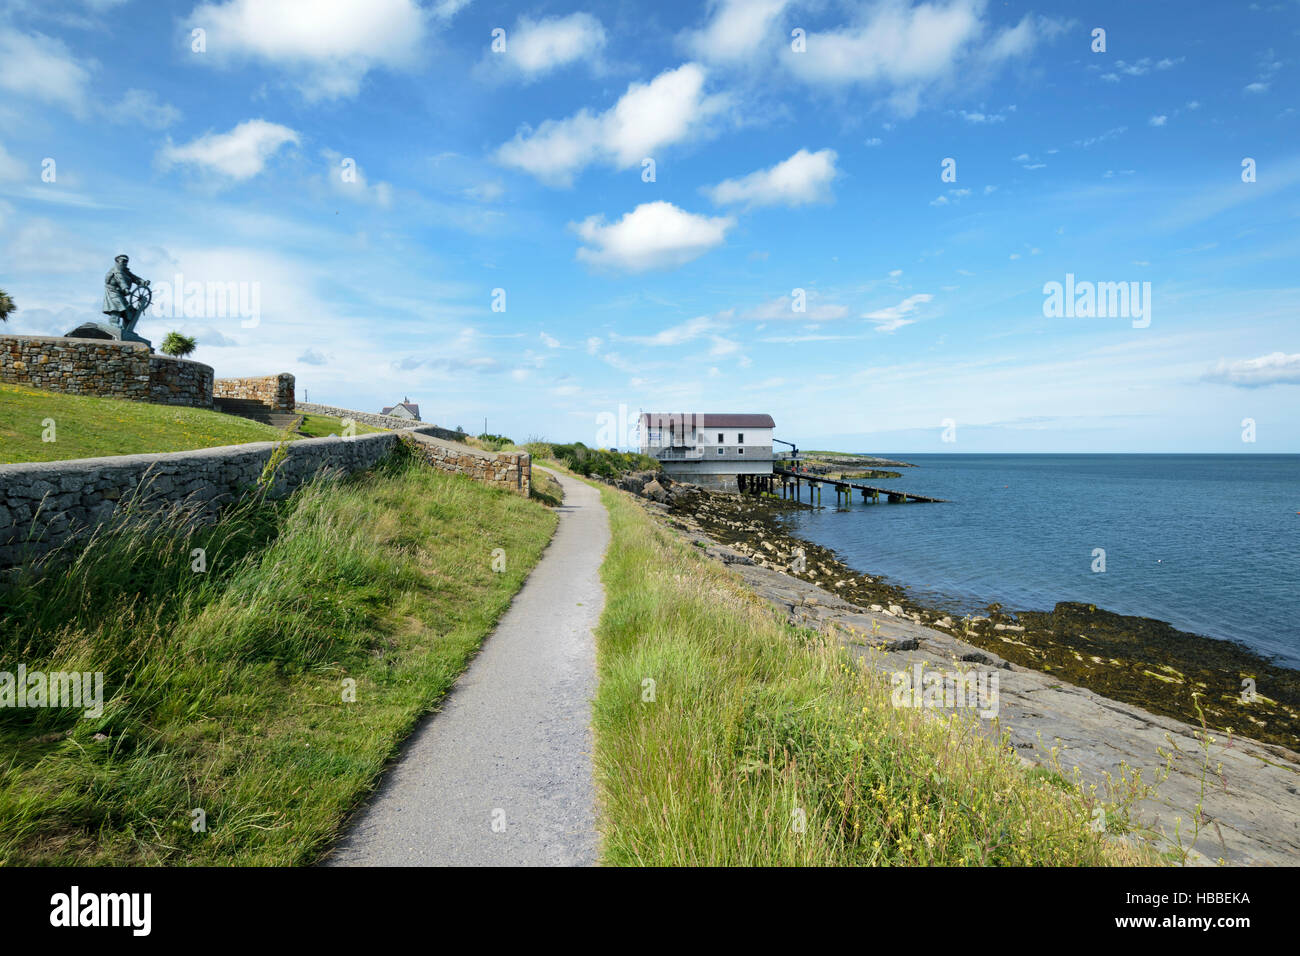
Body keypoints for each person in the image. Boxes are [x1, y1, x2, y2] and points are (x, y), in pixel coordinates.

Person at [102, 254, 149, 333]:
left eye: (126, 261)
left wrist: (143, 282)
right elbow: (120, 279)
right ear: (117, 261)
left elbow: (134, 278)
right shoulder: (116, 270)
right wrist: (125, 288)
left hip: (120, 294)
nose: (125, 263)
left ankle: (127, 329)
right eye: (123, 261)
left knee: (128, 311)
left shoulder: (126, 271)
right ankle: (114, 324)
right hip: (112, 292)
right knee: (116, 307)